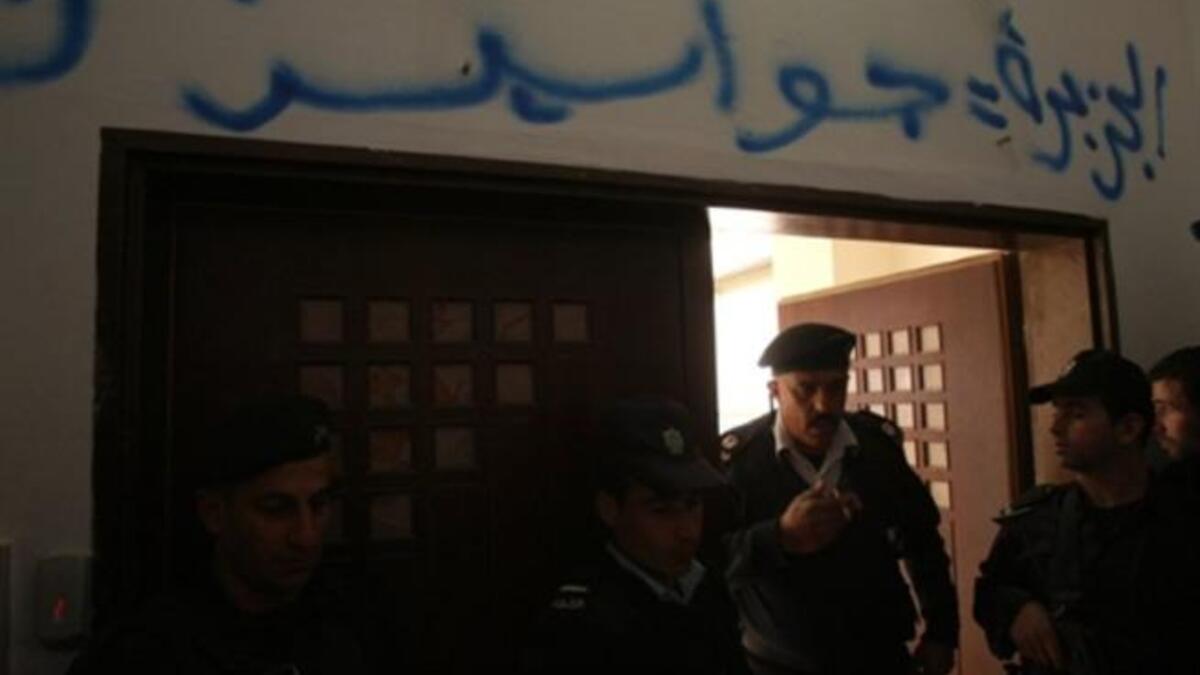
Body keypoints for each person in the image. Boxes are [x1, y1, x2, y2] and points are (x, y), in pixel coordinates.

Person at [70, 393, 371, 675]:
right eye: (276, 509)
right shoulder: (146, 652)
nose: (306, 536)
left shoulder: (352, 621)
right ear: (214, 513)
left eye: (318, 505)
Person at [720, 323, 958, 675]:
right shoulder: (740, 462)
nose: (823, 404)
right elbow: (711, 560)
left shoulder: (876, 447)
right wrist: (780, 537)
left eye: (836, 387)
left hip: (879, 657)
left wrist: (942, 632)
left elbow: (922, 541)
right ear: (775, 391)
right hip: (778, 662)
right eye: (805, 389)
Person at [973, 349, 1199, 674]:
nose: (1056, 427)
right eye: (1057, 412)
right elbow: (991, 589)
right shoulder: (1038, 520)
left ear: (1128, 428)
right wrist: (1017, 609)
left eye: (1076, 414)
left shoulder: (1183, 515)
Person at [523, 397, 750, 675]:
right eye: (661, 511)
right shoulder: (584, 621)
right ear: (610, 509)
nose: (687, 530)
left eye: (693, 505)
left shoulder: (707, 585)